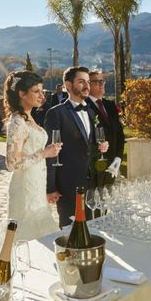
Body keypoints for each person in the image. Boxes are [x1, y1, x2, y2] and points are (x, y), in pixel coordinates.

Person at [44, 66, 108, 228]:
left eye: (88, 81)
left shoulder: (92, 112)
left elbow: (89, 145)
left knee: (96, 228)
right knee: (71, 232)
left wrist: (102, 146)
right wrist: (51, 188)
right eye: (81, 82)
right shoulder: (56, 113)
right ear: (69, 85)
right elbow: (52, 154)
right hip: (69, 185)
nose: (87, 86)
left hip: (93, 185)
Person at [4, 71, 62, 241]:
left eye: (42, 91)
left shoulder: (30, 118)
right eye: (36, 91)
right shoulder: (17, 122)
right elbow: (12, 164)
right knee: (27, 239)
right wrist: (44, 153)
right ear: (22, 94)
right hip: (24, 189)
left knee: (43, 237)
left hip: (36, 185)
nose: (41, 96)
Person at [87, 70, 125, 184]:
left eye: (102, 81)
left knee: (107, 199)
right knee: (93, 200)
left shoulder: (110, 105)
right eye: (96, 81)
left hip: (112, 165)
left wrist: (118, 157)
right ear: (87, 85)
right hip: (93, 167)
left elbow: (119, 134)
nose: (101, 84)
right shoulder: (84, 107)